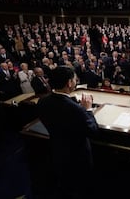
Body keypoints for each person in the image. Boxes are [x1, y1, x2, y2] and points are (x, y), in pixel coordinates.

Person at [37, 66, 99, 199]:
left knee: (65, 183)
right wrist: (87, 109)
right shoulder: (76, 110)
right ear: (69, 83)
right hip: (79, 155)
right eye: (75, 80)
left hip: (57, 150)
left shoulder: (42, 102)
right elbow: (93, 130)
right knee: (81, 186)